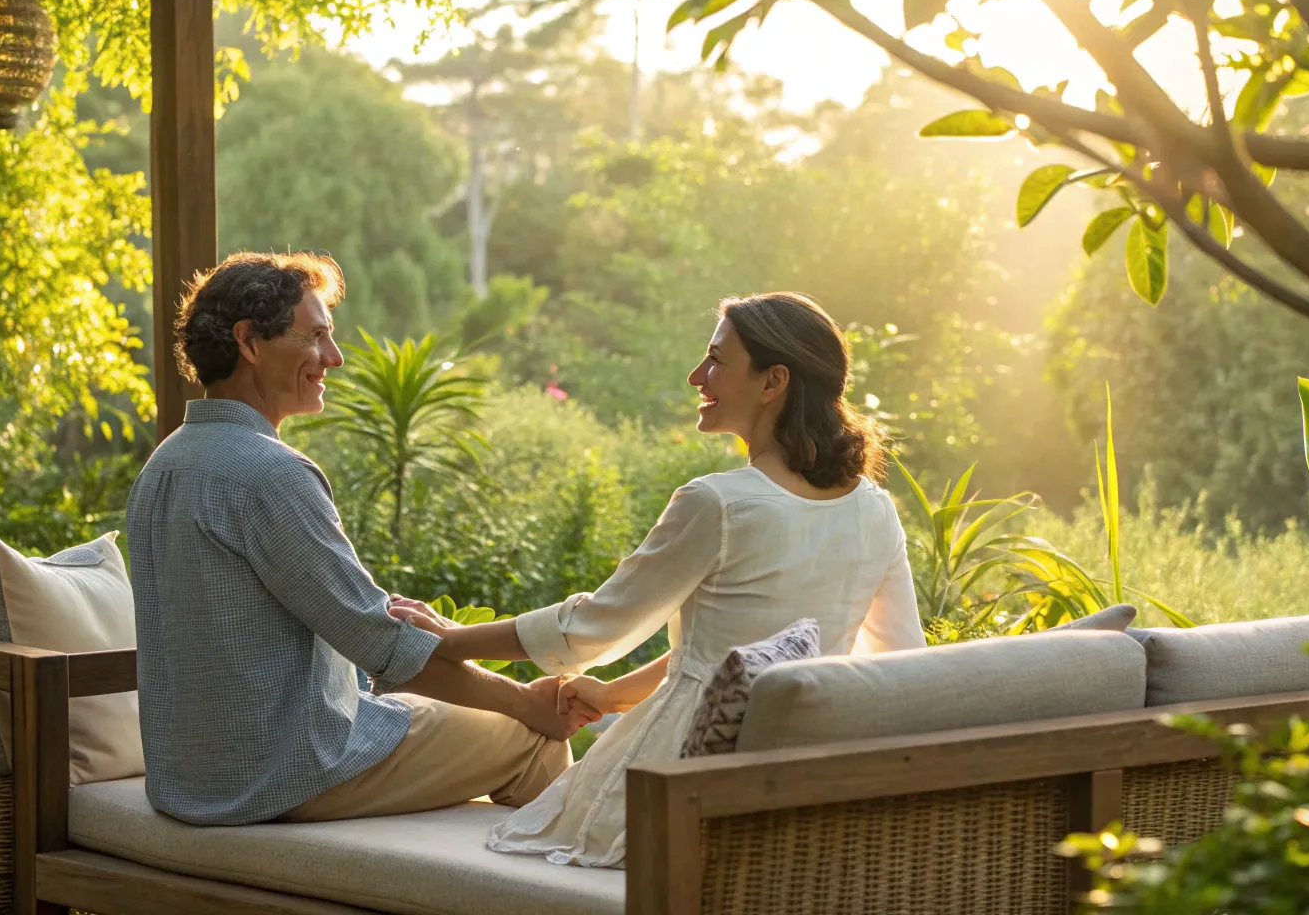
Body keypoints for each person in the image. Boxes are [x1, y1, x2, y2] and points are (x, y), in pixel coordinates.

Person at [393, 291, 925, 868]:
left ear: (774, 382)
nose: (697, 375)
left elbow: (591, 628)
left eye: (717, 360)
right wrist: (612, 694)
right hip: (794, 780)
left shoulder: (719, 504)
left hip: (681, 778)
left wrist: (450, 638)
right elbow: (892, 660)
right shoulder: (874, 509)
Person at [126, 251, 597, 828]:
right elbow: (382, 646)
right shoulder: (269, 475)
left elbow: (364, 634)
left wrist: (447, 642)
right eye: (316, 336)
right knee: (527, 738)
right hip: (284, 773)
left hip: (191, 775)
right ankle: (579, 898)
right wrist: (527, 703)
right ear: (249, 342)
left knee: (447, 715)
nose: (334, 357)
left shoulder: (165, 465)